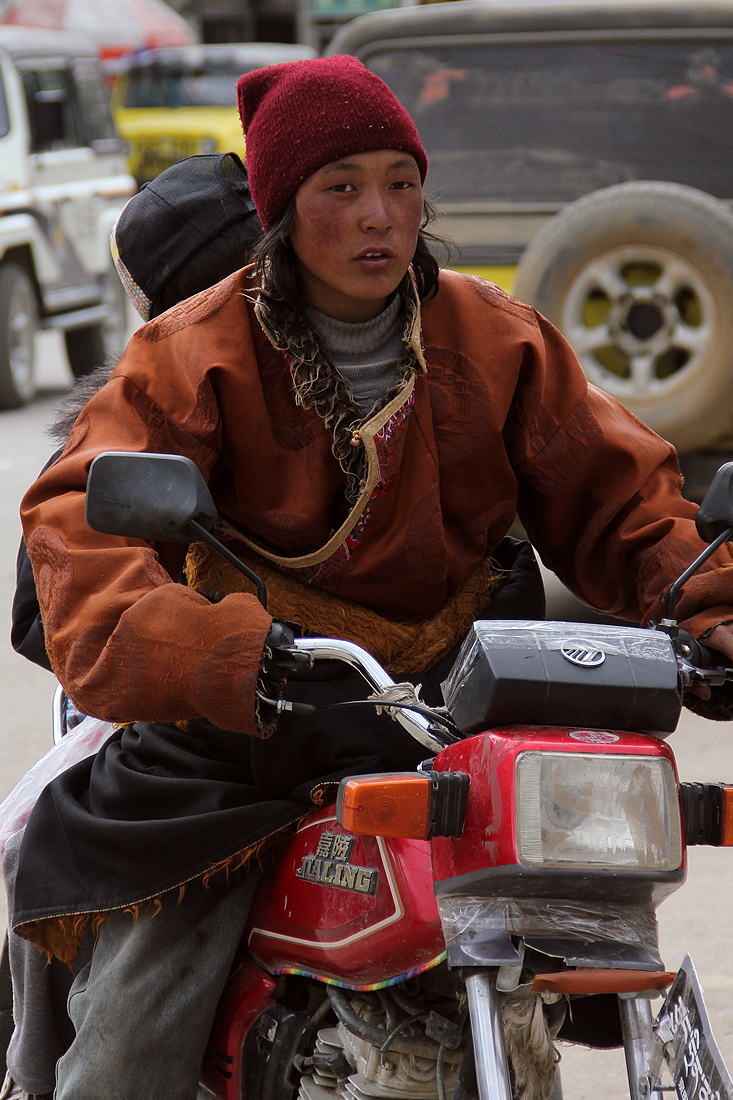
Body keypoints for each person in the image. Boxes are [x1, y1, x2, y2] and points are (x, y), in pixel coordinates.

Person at [10, 53, 733, 1100]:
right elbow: (81, 529)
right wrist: (214, 653)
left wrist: (707, 608)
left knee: (610, 932)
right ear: (279, 211)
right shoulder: (189, 351)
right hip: (251, 728)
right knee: (129, 1040)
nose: (378, 216)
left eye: (401, 182)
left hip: (455, 715)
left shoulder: (499, 338)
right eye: (340, 187)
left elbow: (621, 503)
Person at [3, 150, 263, 1100]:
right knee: (51, 844)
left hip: (395, 710)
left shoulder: (419, 364)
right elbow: (45, 609)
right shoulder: (140, 404)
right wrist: (178, 645)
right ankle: (40, 1071)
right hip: (205, 724)